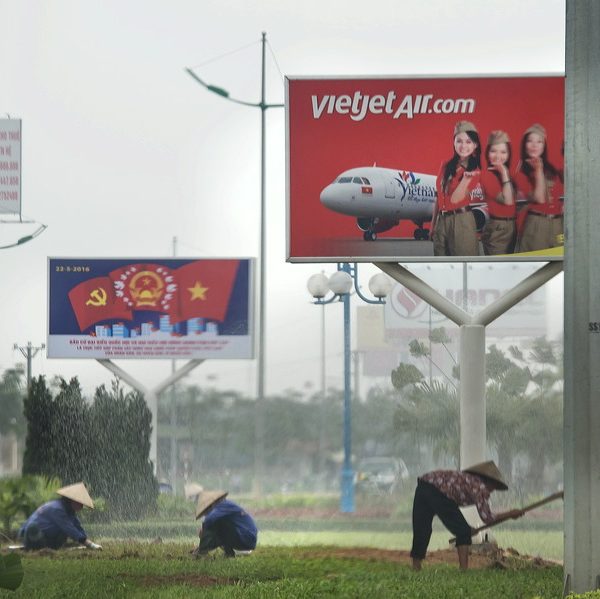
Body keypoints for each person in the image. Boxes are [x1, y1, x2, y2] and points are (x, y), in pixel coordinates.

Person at [410, 461, 524, 571]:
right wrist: (510, 514)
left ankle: (416, 567)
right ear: (489, 481)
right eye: (494, 486)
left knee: (422, 528)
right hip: (439, 493)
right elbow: (487, 517)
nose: (493, 490)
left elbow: (453, 509)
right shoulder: (480, 487)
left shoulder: (468, 479)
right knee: (463, 531)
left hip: (423, 485)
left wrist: (468, 528)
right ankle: (463, 569)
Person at [431, 120, 484, 256]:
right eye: (459, 141)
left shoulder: (475, 171)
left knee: (462, 266)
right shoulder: (445, 166)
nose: (463, 146)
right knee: (440, 267)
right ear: (453, 142)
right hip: (441, 222)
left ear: (475, 145)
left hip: (462, 222)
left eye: (468, 141)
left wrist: (466, 179)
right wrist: (433, 225)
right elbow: (439, 196)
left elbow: (455, 199)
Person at [514, 123, 564, 252]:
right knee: (536, 265)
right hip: (537, 225)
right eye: (530, 141)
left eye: (539, 141)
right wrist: (538, 171)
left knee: (561, 265)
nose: (535, 145)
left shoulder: (552, 169)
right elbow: (540, 198)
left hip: (558, 224)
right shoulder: (520, 173)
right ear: (524, 146)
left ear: (544, 146)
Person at [18, 482, 102, 550]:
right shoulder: (57, 509)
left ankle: (49, 547)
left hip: (46, 537)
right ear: (72, 500)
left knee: (63, 533)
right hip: (32, 536)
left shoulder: (69, 511)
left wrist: (87, 541)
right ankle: (39, 548)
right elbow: (69, 528)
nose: (82, 506)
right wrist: (89, 544)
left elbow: (77, 526)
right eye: (80, 503)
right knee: (33, 528)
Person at [480, 131, 517, 255]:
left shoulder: (510, 174)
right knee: (498, 268)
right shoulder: (487, 175)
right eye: (493, 151)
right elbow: (507, 201)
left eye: (503, 152)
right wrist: (504, 173)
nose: (498, 156)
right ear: (487, 153)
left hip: (513, 226)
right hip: (498, 228)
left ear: (509, 154)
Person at [191, 490, 257, 558]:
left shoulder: (223, 505)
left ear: (212, 504)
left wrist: (203, 530)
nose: (207, 512)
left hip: (246, 539)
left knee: (214, 524)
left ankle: (201, 552)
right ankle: (228, 553)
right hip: (246, 539)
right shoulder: (224, 506)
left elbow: (209, 520)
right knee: (217, 524)